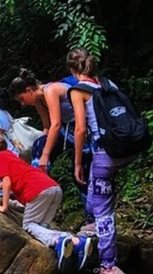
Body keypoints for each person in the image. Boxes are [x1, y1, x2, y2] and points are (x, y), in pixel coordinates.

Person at [0, 132, 92, 271]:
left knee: (29, 225)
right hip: (53, 188)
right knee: (41, 228)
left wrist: (4, 206)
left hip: (38, 191)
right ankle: (77, 242)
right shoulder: (9, 154)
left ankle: (59, 241)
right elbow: (8, 180)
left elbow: (7, 182)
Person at [67, 48, 132, 274]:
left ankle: (109, 269)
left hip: (104, 154)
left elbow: (80, 130)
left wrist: (75, 163)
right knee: (98, 193)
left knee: (103, 210)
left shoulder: (78, 90)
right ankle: (95, 231)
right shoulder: (107, 83)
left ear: (73, 71)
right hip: (124, 148)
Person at [8, 68, 94, 229]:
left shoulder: (51, 90)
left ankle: (93, 218)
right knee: (38, 145)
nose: (22, 103)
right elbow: (47, 127)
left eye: (21, 99)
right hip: (66, 129)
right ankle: (34, 192)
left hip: (81, 128)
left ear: (28, 90)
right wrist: (40, 150)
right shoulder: (38, 100)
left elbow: (56, 124)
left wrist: (46, 156)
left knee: (79, 173)